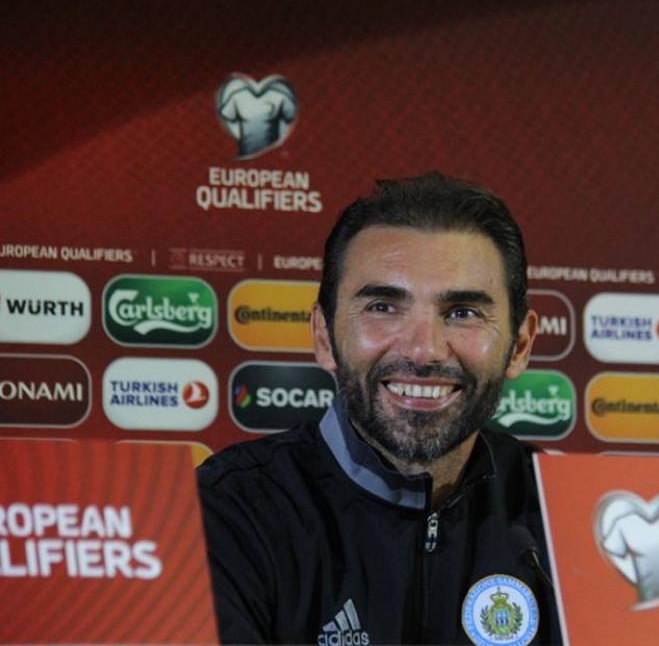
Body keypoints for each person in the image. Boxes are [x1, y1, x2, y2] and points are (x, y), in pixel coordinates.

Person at [197, 172, 562, 645]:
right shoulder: (227, 511)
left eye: (462, 313)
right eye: (383, 307)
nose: (424, 350)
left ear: (520, 346)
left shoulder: (564, 512)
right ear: (324, 336)